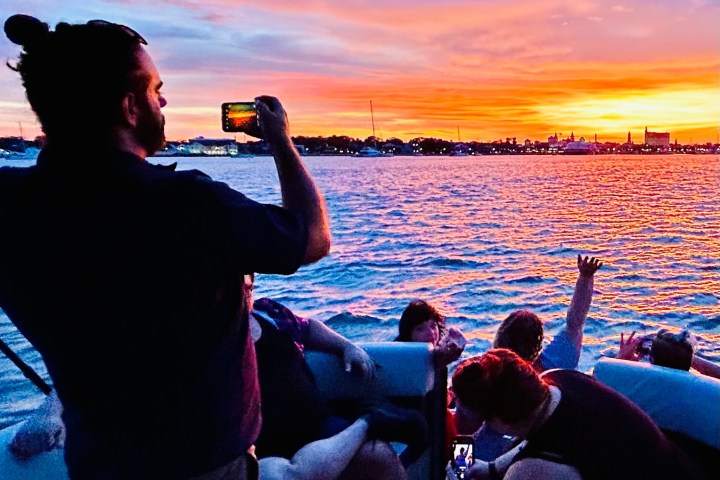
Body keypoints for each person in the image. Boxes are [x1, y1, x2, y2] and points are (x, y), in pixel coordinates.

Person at [0, 14, 330, 480]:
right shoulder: (184, 203)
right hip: (206, 468)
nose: (164, 101)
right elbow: (313, 238)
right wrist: (281, 141)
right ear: (130, 106)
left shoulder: (10, 204)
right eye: (157, 90)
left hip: (98, 466)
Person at [451, 349, 709, 480]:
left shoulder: (528, 472)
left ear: (500, 420)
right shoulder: (562, 380)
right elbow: (542, 438)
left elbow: (540, 451)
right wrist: (491, 469)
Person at [493, 255, 603, 372]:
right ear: (537, 344)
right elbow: (574, 323)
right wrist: (585, 277)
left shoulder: (485, 372)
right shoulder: (550, 366)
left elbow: (574, 324)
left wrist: (585, 278)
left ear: (499, 338)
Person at [617, 328, 720, 379]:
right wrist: (681, 354)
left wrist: (620, 359)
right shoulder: (700, 388)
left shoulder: (640, 382)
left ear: (652, 359)